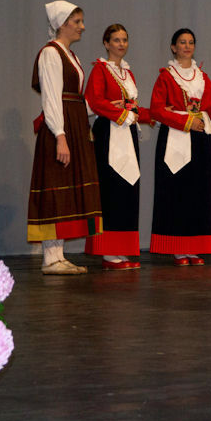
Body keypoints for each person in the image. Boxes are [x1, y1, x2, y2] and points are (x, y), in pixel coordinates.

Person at [28, 0, 102, 275]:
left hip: (73, 124)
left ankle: (57, 256)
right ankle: (50, 258)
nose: (82, 27)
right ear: (62, 24)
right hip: (59, 127)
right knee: (56, 184)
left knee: (67, 187)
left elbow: (76, 98)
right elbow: (51, 97)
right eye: (77, 21)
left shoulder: (71, 56)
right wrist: (60, 135)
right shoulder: (51, 53)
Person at [149, 28, 211, 266]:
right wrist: (185, 121)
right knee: (177, 191)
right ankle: (177, 247)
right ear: (173, 47)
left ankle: (194, 247)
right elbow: (156, 110)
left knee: (198, 192)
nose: (187, 46)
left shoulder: (202, 76)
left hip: (201, 139)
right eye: (182, 42)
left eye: (191, 42)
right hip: (175, 137)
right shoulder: (166, 76)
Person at [84, 24, 152, 270]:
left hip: (127, 131)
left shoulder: (127, 72)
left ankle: (121, 249)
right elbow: (95, 101)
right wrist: (121, 112)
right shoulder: (100, 69)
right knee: (111, 189)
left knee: (127, 190)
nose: (121, 44)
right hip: (109, 132)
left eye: (124, 39)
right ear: (106, 43)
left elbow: (131, 106)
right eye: (116, 40)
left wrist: (147, 113)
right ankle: (108, 252)